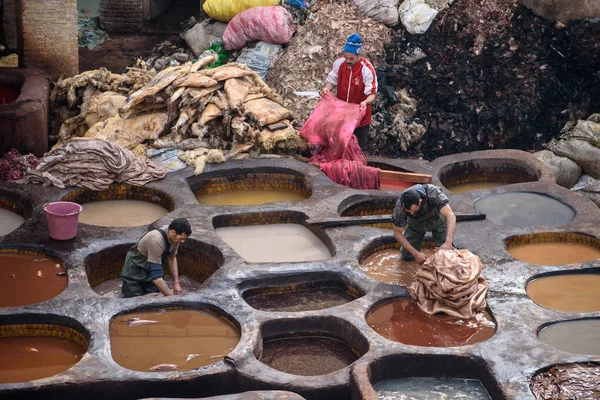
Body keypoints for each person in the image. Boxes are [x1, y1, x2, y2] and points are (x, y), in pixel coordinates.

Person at [321, 33, 377, 151]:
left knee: (357, 150)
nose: (348, 61)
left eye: (351, 58)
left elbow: (372, 94)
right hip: (340, 116)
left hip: (360, 120)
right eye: (346, 57)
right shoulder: (339, 63)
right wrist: (327, 88)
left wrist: (365, 102)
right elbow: (331, 81)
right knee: (338, 147)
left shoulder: (367, 69)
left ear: (359, 55)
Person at [121, 218, 192, 298]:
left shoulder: (175, 238)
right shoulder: (156, 240)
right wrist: (172, 299)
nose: (182, 241)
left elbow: (172, 258)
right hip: (135, 269)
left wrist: (176, 282)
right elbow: (156, 277)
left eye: (184, 239)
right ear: (173, 232)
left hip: (150, 266)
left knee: (157, 295)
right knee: (133, 300)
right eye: (181, 238)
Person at [392, 184, 456, 264]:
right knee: (406, 256)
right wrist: (415, 254)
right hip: (416, 223)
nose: (411, 214)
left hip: (437, 219)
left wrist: (448, 242)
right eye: (409, 212)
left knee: (449, 253)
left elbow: (450, 215)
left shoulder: (432, 192)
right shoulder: (400, 207)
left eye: (414, 211)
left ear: (420, 201)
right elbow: (397, 233)